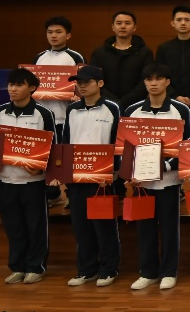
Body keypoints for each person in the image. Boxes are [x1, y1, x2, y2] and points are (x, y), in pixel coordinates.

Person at [0, 67, 56, 285]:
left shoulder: (43, 114)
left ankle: (36, 267)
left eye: (19, 85)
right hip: (6, 180)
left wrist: (40, 169)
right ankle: (17, 267)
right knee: (13, 227)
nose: (13, 89)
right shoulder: (0, 112)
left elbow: (52, 148)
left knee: (36, 227)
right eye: (10, 85)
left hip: (33, 182)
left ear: (32, 88)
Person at [124, 63, 190, 291]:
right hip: (141, 183)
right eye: (149, 79)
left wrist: (165, 165)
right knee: (144, 229)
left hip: (168, 180)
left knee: (169, 228)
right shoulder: (133, 110)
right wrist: (129, 172)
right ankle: (148, 272)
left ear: (167, 82)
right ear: (144, 83)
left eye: (158, 79)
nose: (153, 83)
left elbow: (188, 143)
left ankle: (169, 272)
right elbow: (125, 146)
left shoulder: (180, 110)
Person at [59, 65, 121, 287]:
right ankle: (86, 270)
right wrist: (63, 171)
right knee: (81, 226)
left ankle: (109, 269)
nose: (82, 86)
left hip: (102, 178)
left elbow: (118, 142)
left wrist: (112, 172)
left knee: (104, 226)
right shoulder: (72, 109)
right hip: (76, 177)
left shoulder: (112, 108)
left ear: (100, 83)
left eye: (87, 82)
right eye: (79, 83)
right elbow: (66, 141)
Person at [35, 16, 85, 209]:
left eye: (58, 32)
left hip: (65, 116)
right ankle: (53, 194)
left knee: (66, 157)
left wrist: (75, 95)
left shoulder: (75, 57)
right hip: (43, 117)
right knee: (46, 157)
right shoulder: (39, 57)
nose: (53, 36)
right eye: (50, 32)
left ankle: (72, 195)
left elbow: (83, 85)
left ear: (68, 35)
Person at [89, 10, 154, 108]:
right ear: (113, 27)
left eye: (127, 23)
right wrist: (113, 101)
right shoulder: (99, 53)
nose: (123, 26)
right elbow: (94, 79)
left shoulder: (144, 52)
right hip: (104, 104)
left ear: (134, 27)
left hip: (136, 105)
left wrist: (124, 101)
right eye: (119, 23)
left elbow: (146, 80)